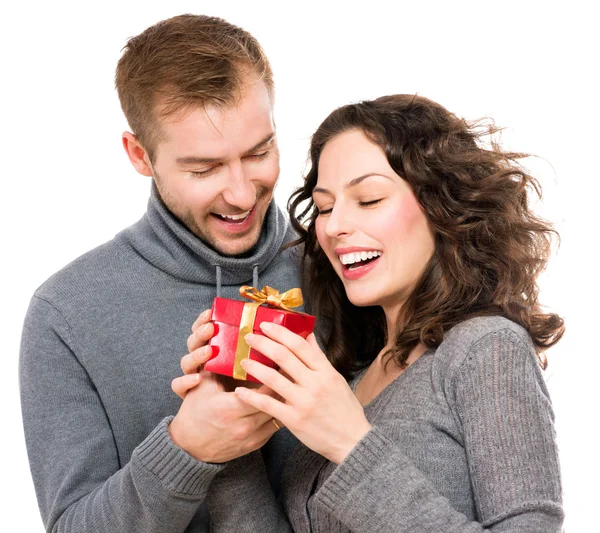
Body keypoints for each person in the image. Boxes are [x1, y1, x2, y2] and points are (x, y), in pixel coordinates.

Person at [175, 94, 565, 532]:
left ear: (442, 206)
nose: (334, 225)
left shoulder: (486, 349)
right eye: (324, 207)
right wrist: (231, 431)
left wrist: (350, 443)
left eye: (370, 198)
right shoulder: (358, 372)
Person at [19, 14, 303, 533]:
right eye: (204, 169)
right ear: (139, 155)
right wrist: (185, 449)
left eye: (259, 152)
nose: (242, 193)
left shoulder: (345, 266)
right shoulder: (66, 312)